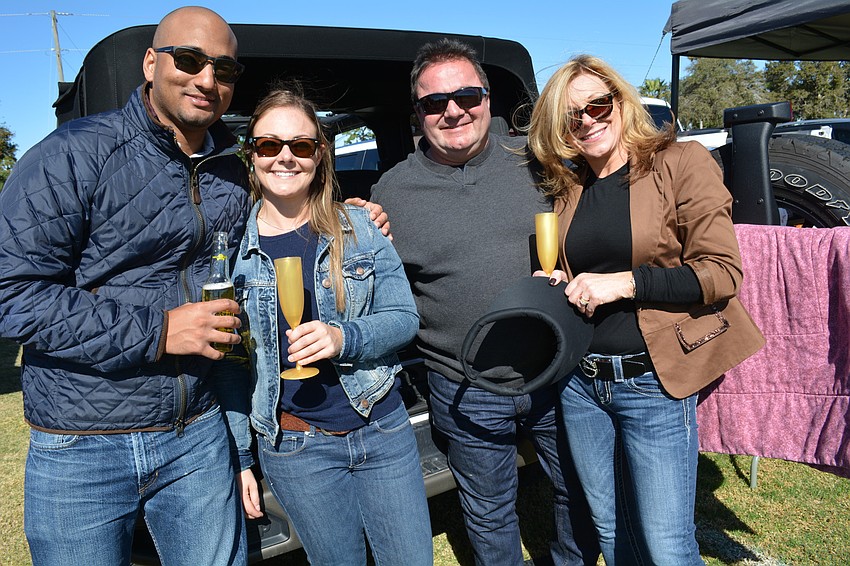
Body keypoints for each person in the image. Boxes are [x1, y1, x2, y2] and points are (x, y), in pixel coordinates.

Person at [0, 7, 253, 565]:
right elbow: (12, 293)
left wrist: (353, 217)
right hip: (81, 445)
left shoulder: (231, 169)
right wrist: (158, 332)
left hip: (197, 431)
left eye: (225, 69)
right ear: (150, 63)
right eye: (189, 59)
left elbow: (284, 219)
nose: (207, 80)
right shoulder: (70, 155)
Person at [526, 54, 764, 564]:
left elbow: (722, 272)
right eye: (573, 115)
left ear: (620, 100)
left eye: (598, 104)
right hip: (581, 385)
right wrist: (563, 284)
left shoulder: (680, 162)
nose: (588, 120)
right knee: (612, 533)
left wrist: (625, 284)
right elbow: (588, 269)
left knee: (666, 543)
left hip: (651, 381)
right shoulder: (570, 187)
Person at [370, 39, 599, 566]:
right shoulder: (391, 193)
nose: (453, 110)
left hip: (558, 373)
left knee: (580, 491)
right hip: (463, 385)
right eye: (434, 102)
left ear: (488, 98)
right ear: (418, 113)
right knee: (490, 512)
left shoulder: (541, 163)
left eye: (467, 94)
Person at [213, 86, 433, 566]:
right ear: (251, 155)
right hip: (296, 446)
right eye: (270, 145)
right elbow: (231, 366)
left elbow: (404, 319)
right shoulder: (232, 256)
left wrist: (342, 338)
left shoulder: (358, 226)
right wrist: (241, 458)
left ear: (320, 155)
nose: (285, 157)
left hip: (382, 426)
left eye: (301, 145)